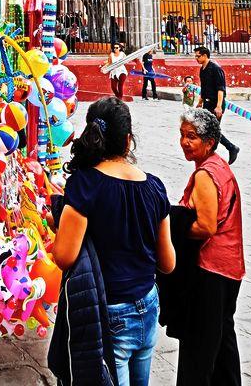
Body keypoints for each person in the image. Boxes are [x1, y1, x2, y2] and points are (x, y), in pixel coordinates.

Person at [52, 97, 175, 385]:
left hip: (110, 313)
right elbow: (168, 263)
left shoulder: (85, 184)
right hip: (148, 304)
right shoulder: (155, 187)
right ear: (128, 140)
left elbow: (64, 256)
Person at [177, 108, 245, 385]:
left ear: (210, 142)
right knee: (222, 339)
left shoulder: (206, 174)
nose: (184, 142)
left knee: (200, 345)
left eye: (192, 136)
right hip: (230, 265)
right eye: (182, 135)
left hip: (211, 268)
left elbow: (206, 227)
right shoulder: (219, 165)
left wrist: (173, 229)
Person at [195, 46, 240, 165]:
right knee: (206, 129)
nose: (196, 58)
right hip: (207, 103)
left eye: (198, 56)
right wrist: (200, 101)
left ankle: (229, 148)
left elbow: (221, 89)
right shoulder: (202, 69)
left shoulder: (216, 69)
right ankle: (224, 149)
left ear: (205, 55)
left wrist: (219, 106)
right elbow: (204, 87)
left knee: (211, 130)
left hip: (216, 104)